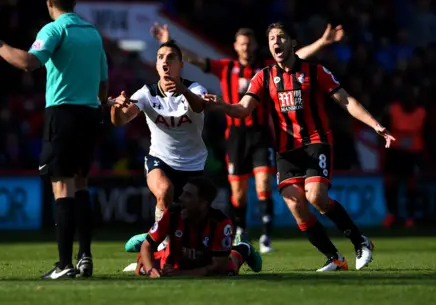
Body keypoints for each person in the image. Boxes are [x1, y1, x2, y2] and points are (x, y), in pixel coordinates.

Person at [203, 22, 395, 272]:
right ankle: (334, 258)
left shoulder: (316, 72)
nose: (276, 42)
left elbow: (346, 101)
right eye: (272, 38)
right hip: (286, 150)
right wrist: (220, 104)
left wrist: (376, 125)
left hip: (316, 141)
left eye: (281, 37)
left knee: (316, 197)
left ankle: (360, 241)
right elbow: (242, 109)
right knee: (296, 205)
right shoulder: (264, 76)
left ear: (293, 42)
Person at [151, 23, 343, 253]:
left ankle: (266, 236)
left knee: (263, 184)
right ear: (235, 46)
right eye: (241, 43)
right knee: (238, 194)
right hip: (235, 136)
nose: (245, 46)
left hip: (261, 134)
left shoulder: (267, 68)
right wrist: (171, 41)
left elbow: (298, 56)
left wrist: (322, 42)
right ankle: (241, 230)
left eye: (249, 42)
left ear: (254, 45)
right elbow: (195, 59)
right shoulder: (226, 67)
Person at [0, 0, 108, 280]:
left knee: (62, 186)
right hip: (90, 114)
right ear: (75, 0)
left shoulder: (55, 29)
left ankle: (64, 264)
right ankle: (85, 256)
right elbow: (103, 84)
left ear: (48, 2)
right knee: (82, 183)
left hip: (63, 115)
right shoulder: (93, 33)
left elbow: (28, 62)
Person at [109, 40, 209, 255]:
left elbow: (199, 106)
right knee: (164, 191)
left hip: (193, 165)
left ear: (181, 65)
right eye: (161, 57)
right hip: (160, 159)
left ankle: (241, 248)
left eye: (171, 57)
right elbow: (120, 120)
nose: (165, 61)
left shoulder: (195, 88)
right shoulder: (147, 93)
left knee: (193, 231)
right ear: (156, 65)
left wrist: (181, 89)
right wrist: (117, 107)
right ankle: (159, 246)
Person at [135, 177, 262, 278]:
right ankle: (151, 235)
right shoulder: (172, 214)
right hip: (173, 262)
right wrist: (151, 270)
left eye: (188, 195)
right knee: (142, 266)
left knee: (228, 271)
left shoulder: (220, 222)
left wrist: (182, 274)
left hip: (207, 263)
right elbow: (146, 246)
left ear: (203, 203)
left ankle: (243, 248)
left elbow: (220, 265)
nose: (181, 198)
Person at [382, 88, 426, 228]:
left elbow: (427, 133)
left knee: (411, 187)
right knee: (390, 184)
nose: (409, 101)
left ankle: (410, 217)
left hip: (413, 154)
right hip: (395, 153)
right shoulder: (393, 110)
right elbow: (384, 128)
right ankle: (391, 215)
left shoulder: (421, 113)